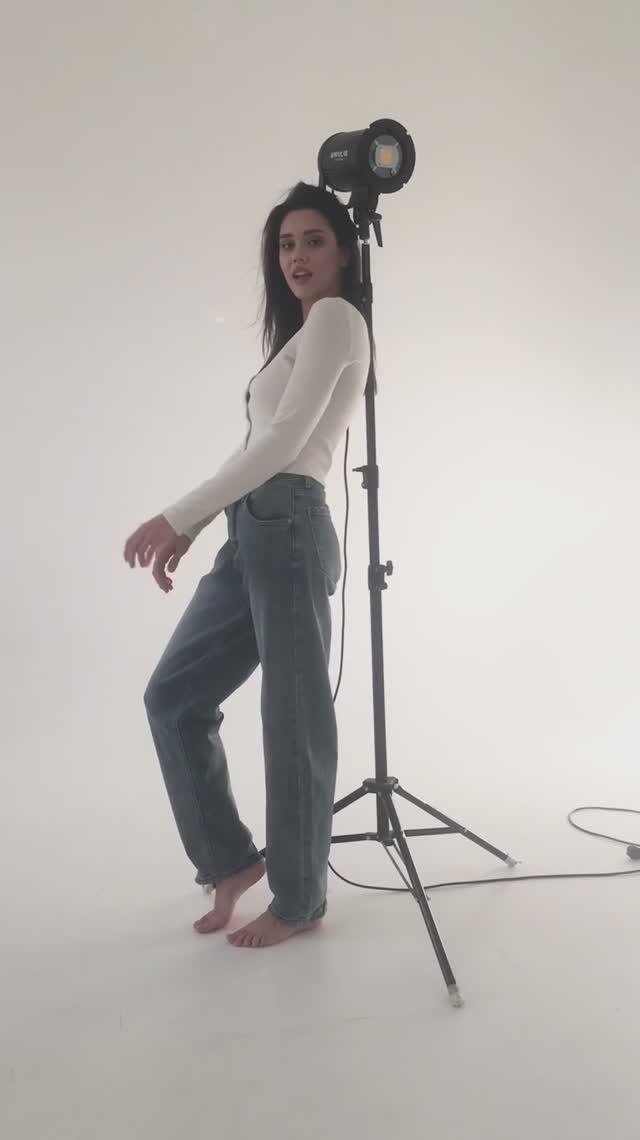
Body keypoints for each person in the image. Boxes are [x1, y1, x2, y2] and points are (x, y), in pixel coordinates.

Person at [123, 182, 371, 949]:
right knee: (173, 697)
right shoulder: (301, 335)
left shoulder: (337, 318)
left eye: (313, 241)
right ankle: (231, 861)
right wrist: (199, 523)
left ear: (344, 250)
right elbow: (256, 447)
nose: (297, 256)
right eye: (286, 244)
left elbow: (285, 444)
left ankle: (299, 900)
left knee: (292, 717)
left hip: (288, 525)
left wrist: (178, 513)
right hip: (252, 530)